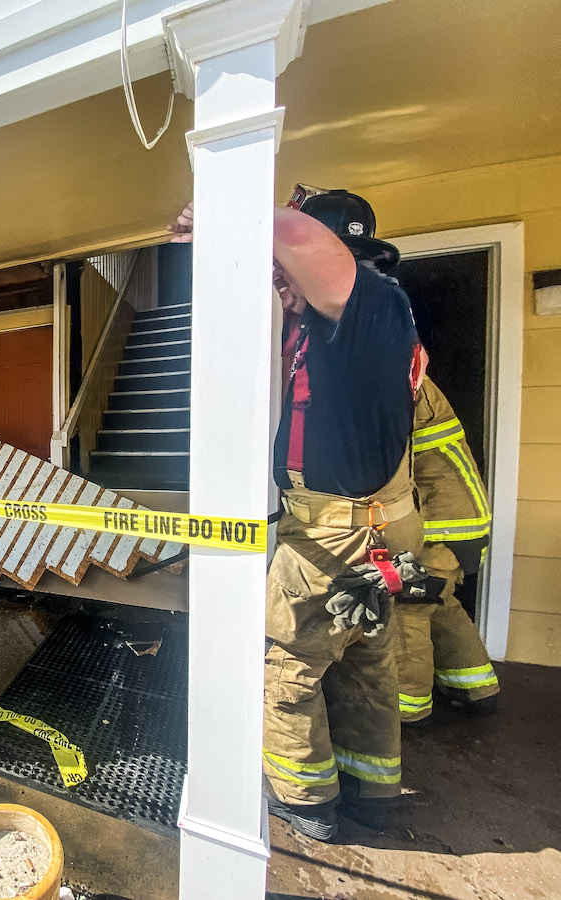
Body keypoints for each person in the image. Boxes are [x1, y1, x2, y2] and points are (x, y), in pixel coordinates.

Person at [173, 188, 422, 841]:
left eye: (286, 270)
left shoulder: (370, 306)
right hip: (377, 526)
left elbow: (320, 256)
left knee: (288, 661)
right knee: (366, 657)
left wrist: (241, 206)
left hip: (332, 535)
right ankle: (372, 793)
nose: (281, 282)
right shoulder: (345, 331)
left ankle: (303, 799)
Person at [397, 374, 499, 724]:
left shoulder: (397, 381)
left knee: (408, 605)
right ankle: (476, 688)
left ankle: (407, 707)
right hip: (463, 521)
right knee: (439, 599)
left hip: (441, 523)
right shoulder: (413, 379)